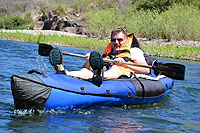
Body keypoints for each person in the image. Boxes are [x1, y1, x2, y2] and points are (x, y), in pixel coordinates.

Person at [49, 28, 150, 86]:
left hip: (124, 73)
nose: (116, 42)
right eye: (113, 40)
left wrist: (123, 63)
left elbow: (146, 70)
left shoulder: (134, 51)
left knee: (116, 68)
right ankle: (65, 72)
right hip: (105, 72)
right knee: (87, 68)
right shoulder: (110, 50)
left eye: (120, 40)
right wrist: (90, 60)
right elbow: (95, 65)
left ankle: (100, 76)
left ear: (126, 39)